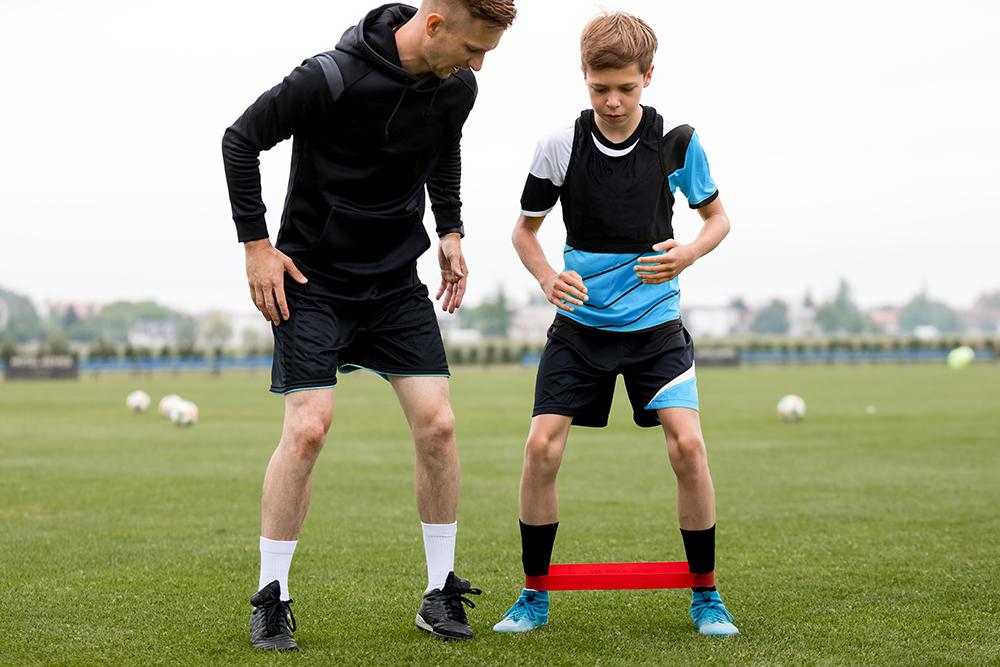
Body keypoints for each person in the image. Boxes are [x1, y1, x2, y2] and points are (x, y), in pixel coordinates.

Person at [221, 0, 516, 650]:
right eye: (473, 48)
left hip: (393, 284)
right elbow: (241, 138)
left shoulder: (455, 86)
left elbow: (443, 147)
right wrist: (255, 246)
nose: (477, 65)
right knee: (307, 429)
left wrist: (451, 229)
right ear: (434, 24)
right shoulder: (331, 76)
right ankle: (273, 596)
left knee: (439, 424)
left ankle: (440, 590)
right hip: (313, 280)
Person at [491, 12, 739, 638]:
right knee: (540, 448)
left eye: (626, 87)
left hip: (656, 329)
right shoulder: (560, 144)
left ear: (648, 77)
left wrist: (688, 252)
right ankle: (534, 595)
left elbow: (717, 220)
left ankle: (706, 597)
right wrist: (548, 277)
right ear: (584, 79)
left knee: (688, 446)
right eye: (599, 88)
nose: (612, 101)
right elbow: (525, 232)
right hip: (579, 329)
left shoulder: (678, 143)